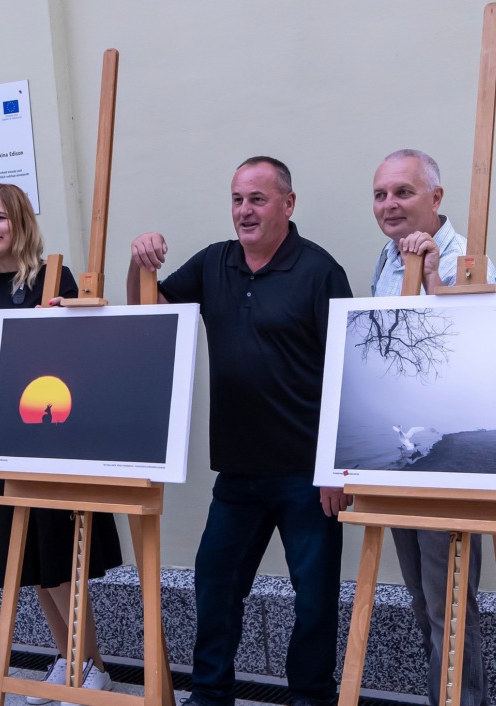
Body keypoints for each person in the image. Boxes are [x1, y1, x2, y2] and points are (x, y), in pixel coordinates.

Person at [128, 157, 353, 706]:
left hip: (306, 474)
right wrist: (140, 264)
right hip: (237, 473)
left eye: (257, 199)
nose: (244, 211)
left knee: (315, 600)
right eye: (237, 199)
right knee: (216, 585)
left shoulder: (321, 271)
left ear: (288, 204)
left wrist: (338, 467)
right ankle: (209, 695)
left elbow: (350, 372)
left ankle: (311, 698)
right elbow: (148, 313)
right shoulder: (213, 263)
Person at [0, 183, 122, 704]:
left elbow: (75, 351)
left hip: (42, 433)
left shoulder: (49, 277)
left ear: (20, 222)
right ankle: (68, 659)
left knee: (56, 552)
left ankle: (93, 666)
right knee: (29, 558)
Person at [370, 149, 496, 706]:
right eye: (380, 194)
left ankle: (462, 701)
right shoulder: (384, 256)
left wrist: (430, 278)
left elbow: (471, 351)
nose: (389, 204)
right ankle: (440, 696)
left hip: (449, 460)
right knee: (422, 598)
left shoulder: (470, 260)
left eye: (403, 192)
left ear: (437, 198)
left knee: (448, 599)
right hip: (400, 458)